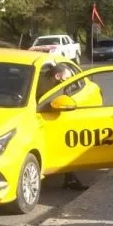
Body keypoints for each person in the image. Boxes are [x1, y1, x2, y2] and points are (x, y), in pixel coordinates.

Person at [41, 63, 89, 191]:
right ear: (57, 76)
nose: (68, 82)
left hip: (56, 120)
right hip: (48, 122)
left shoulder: (54, 84)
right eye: (67, 79)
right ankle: (69, 178)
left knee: (66, 148)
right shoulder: (47, 88)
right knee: (65, 148)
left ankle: (70, 178)